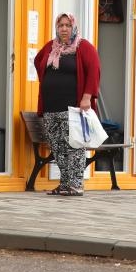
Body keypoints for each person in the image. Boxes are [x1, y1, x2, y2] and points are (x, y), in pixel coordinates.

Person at [34, 12, 101, 197]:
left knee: (74, 146)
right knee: (57, 146)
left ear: (74, 27)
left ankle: (76, 184)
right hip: (50, 106)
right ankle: (64, 183)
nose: (64, 29)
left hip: (73, 107)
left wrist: (87, 96)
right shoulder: (51, 46)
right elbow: (38, 61)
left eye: (67, 25)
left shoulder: (83, 46)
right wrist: (48, 82)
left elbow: (94, 71)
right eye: (60, 25)